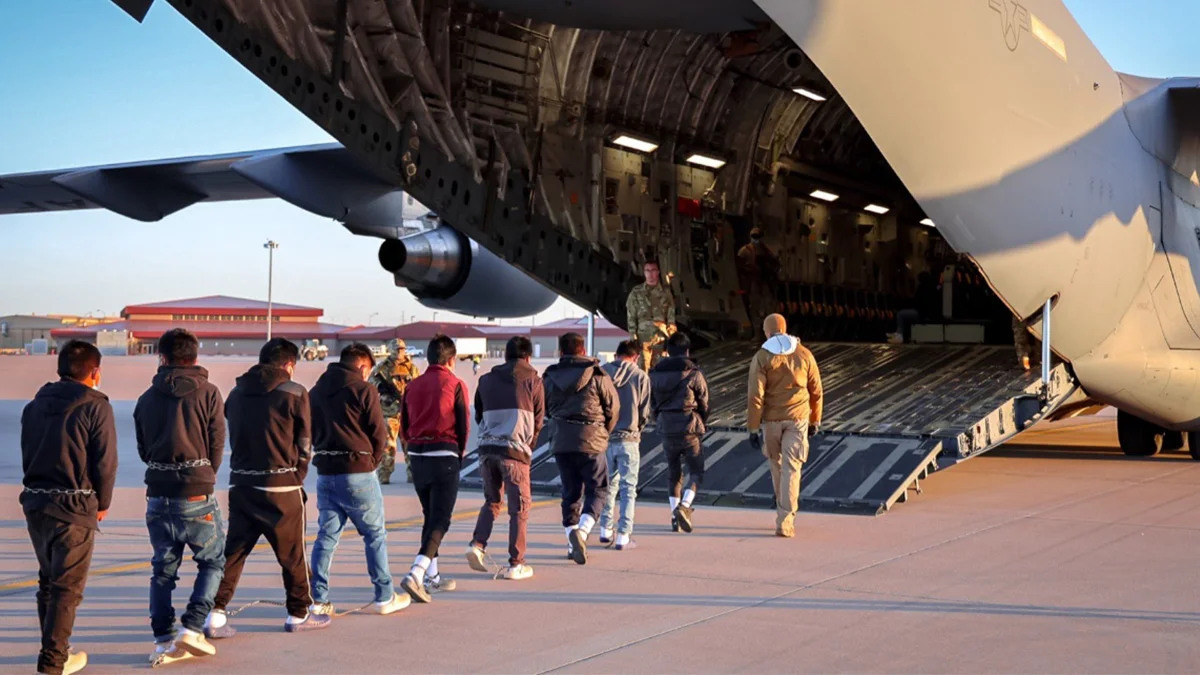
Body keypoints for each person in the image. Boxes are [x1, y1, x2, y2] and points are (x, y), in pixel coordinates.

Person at [206, 338, 329, 636]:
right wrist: (297, 474)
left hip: (242, 484)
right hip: (281, 486)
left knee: (234, 552)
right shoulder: (295, 392)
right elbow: (305, 441)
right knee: (293, 554)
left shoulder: (236, 392)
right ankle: (298, 613)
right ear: (288, 364)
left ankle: (215, 613)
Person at [21, 340, 117, 675]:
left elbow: (28, 452)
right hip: (73, 506)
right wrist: (103, 502)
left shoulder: (34, 405)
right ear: (95, 372)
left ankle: (56, 651)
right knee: (66, 588)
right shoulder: (95, 406)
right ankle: (54, 661)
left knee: (49, 582)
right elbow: (105, 461)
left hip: (36, 502)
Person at [133, 329, 225, 664]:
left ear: (162, 357)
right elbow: (216, 443)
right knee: (212, 561)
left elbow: (144, 449)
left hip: (158, 492)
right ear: (195, 356)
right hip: (196, 491)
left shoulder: (146, 398)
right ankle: (193, 626)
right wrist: (204, 475)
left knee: (162, 570)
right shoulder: (209, 393)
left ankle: (162, 639)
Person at [308, 344, 410, 617]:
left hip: (325, 473)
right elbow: (379, 433)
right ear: (362, 366)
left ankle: (318, 599)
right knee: (374, 535)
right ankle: (384, 596)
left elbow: (309, 430)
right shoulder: (364, 390)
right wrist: (371, 463)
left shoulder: (315, 391)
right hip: (358, 472)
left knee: (326, 537)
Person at [465, 336, 545, 580]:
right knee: (519, 509)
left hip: (487, 450)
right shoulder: (533, 381)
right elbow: (539, 421)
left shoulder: (486, 380)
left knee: (492, 500)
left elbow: (479, 415)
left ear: (505, 356)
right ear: (528, 357)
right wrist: (527, 447)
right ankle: (516, 563)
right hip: (515, 452)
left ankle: (477, 545)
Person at [398, 335, 470, 603]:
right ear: (451, 360)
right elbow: (463, 426)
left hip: (417, 455)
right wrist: (458, 455)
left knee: (429, 516)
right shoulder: (455, 384)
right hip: (444, 454)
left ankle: (433, 577)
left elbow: (403, 426)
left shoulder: (412, 386)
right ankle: (416, 572)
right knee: (441, 519)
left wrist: (411, 449)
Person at [543, 332, 619, 564]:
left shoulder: (550, 376)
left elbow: (544, 408)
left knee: (570, 492)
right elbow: (613, 408)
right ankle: (583, 533)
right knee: (599, 490)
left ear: (561, 352)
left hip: (562, 441)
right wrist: (603, 432)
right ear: (583, 350)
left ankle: (571, 541)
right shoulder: (598, 374)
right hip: (592, 440)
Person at [746, 314, 823, 538]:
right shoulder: (804, 354)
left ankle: (782, 511)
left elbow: (755, 396)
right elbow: (816, 390)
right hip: (798, 419)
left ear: (767, 332)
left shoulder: (761, 357)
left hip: (771, 421)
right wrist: (815, 419)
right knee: (792, 469)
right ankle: (785, 520)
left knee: (776, 466)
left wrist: (753, 428)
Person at [649, 332, 710, 533]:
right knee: (696, 472)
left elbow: (652, 404)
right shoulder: (694, 373)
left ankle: (675, 518)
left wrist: (660, 419)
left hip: (666, 428)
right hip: (689, 427)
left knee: (674, 473)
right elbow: (704, 403)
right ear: (687, 351)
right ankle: (684, 506)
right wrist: (701, 421)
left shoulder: (654, 373)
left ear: (667, 351)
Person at [597, 339, 651, 550]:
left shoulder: (602, 373)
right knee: (628, 488)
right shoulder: (641, 376)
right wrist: (638, 428)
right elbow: (644, 410)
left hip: (605, 438)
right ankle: (623, 535)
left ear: (616, 354)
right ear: (635, 357)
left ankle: (605, 530)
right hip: (629, 438)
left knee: (607, 486)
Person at [370, 338, 419, 484]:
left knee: (409, 445)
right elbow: (371, 383)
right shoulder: (382, 368)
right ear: (390, 350)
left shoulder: (411, 368)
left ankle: (413, 474)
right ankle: (384, 474)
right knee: (388, 446)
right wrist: (382, 390)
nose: (399, 352)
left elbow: (418, 385)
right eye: (397, 349)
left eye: (402, 349)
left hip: (407, 412)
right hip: (389, 412)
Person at [626, 259, 677, 371]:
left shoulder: (665, 293)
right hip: (643, 339)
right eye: (647, 270)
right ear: (644, 272)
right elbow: (631, 315)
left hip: (660, 337)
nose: (650, 273)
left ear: (658, 272)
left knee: (659, 371)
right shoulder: (636, 292)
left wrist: (671, 336)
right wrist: (633, 336)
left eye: (653, 270)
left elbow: (671, 316)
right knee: (643, 371)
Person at [737, 228, 782, 341]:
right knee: (755, 309)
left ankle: (769, 333)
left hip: (765, 283)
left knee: (768, 309)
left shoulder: (766, 251)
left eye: (758, 236)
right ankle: (757, 333)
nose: (756, 239)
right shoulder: (746, 250)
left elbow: (776, 265)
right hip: (754, 283)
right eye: (754, 236)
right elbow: (739, 266)